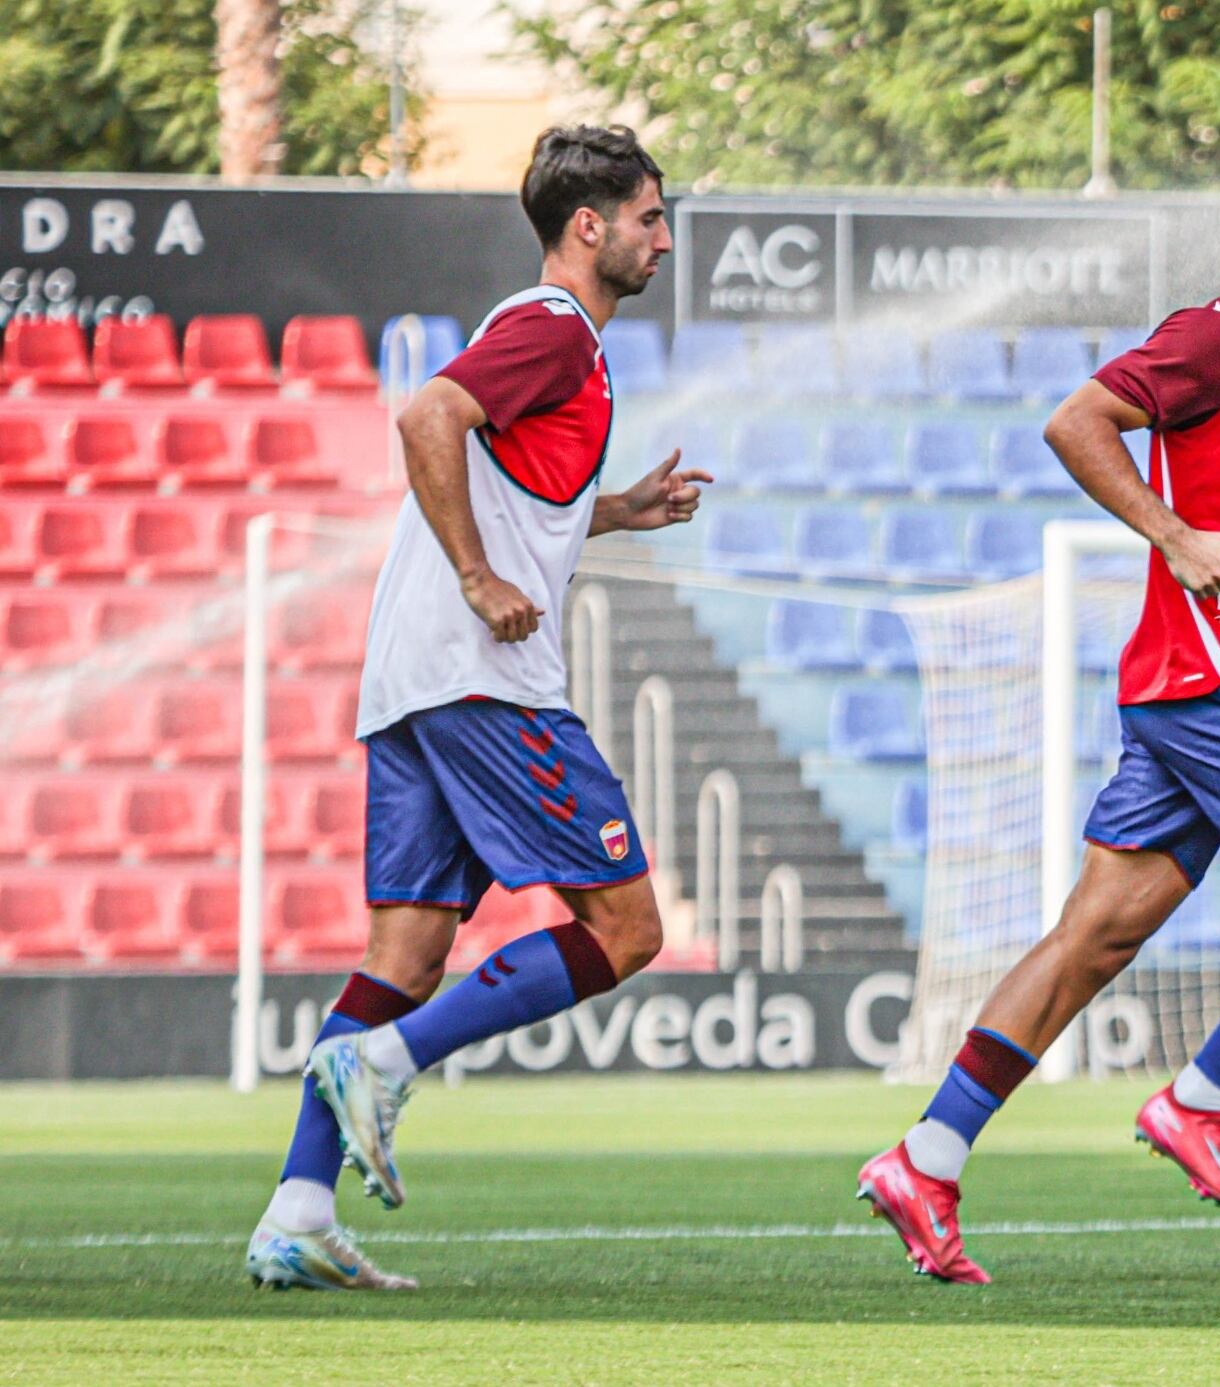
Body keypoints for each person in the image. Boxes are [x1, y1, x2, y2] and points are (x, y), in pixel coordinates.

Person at [854, 135, 1220, 1284]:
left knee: (1094, 938)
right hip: (1213, 678)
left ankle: (924, 1158)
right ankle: (1202, 1098)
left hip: (1205, 686)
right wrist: (1170, 533)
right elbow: (1077, 419)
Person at [244, 125, 712, 1291]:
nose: (665, 235)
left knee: (403, 950)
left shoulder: (568, 349)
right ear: (590, 226)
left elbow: (515, 488)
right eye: (650, 216)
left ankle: (298, 1211)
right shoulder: (550, 325)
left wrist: (611, 512)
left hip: (413, 680)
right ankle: (392, 1063)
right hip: (481, 677)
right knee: (627, 929)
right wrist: (478, 577)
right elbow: (427, 419)